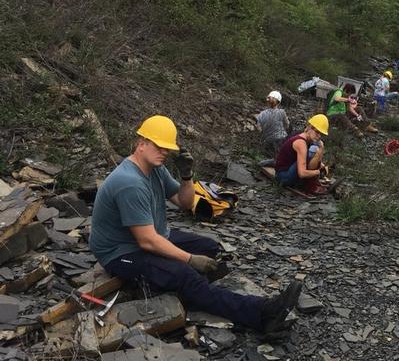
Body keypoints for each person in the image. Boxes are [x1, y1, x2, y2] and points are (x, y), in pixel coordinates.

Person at [89, 115, 302, 334]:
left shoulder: (156, 170)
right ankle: (263, 313)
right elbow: (147, 241)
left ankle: (182, 288)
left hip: (152, 237)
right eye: (158, 146)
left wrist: (186, 175)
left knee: (209, 247)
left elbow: (185, 202)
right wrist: (189, 260)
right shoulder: (129, 182)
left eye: (167, 148)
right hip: (121, 253)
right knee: (187, 274)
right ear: (141, 143)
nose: (164, 152)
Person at [275, 114, 329, 195]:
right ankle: (310, 185)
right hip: (283, 176)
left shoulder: (307, 139)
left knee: (317, 149)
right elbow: (302, 173)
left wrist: (321, 163)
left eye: (321, 134)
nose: (319, 136)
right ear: (310, 127)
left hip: (288, 170)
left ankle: (311, 182)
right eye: (317, 132)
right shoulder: (301, 143)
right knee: (314, 150)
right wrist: (317, 172)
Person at [256, 90, 290, 156]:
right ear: (279, 102)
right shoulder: (282, 112)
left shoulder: (261, 114)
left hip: (267, 140)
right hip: (281, 139)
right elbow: (287, 125)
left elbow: (259, 128)